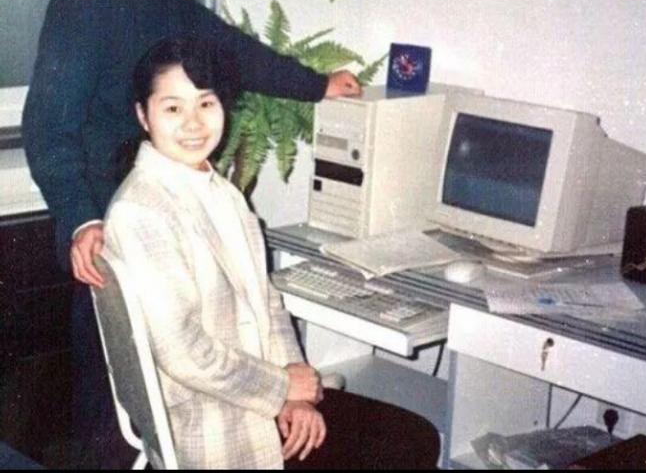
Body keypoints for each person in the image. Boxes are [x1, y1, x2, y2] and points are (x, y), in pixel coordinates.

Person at [21, 0, 360, 465]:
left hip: (146, 192)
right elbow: (48, 125)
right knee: (116, 395)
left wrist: (316, 85)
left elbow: (232, 51)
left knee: (151, 388)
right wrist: (80, 217)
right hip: (106, 213)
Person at [100, 36, 440, 469]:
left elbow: (268, 302)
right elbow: (182, 351)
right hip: (215, 426)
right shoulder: (141, 211)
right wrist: (280, 388)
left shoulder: (219, 192)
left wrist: (297, 397)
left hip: (251, 397)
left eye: (206, 103)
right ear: (142, 116)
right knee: (410, 443)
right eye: (173, 108)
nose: (193, 123)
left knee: (408, 435)